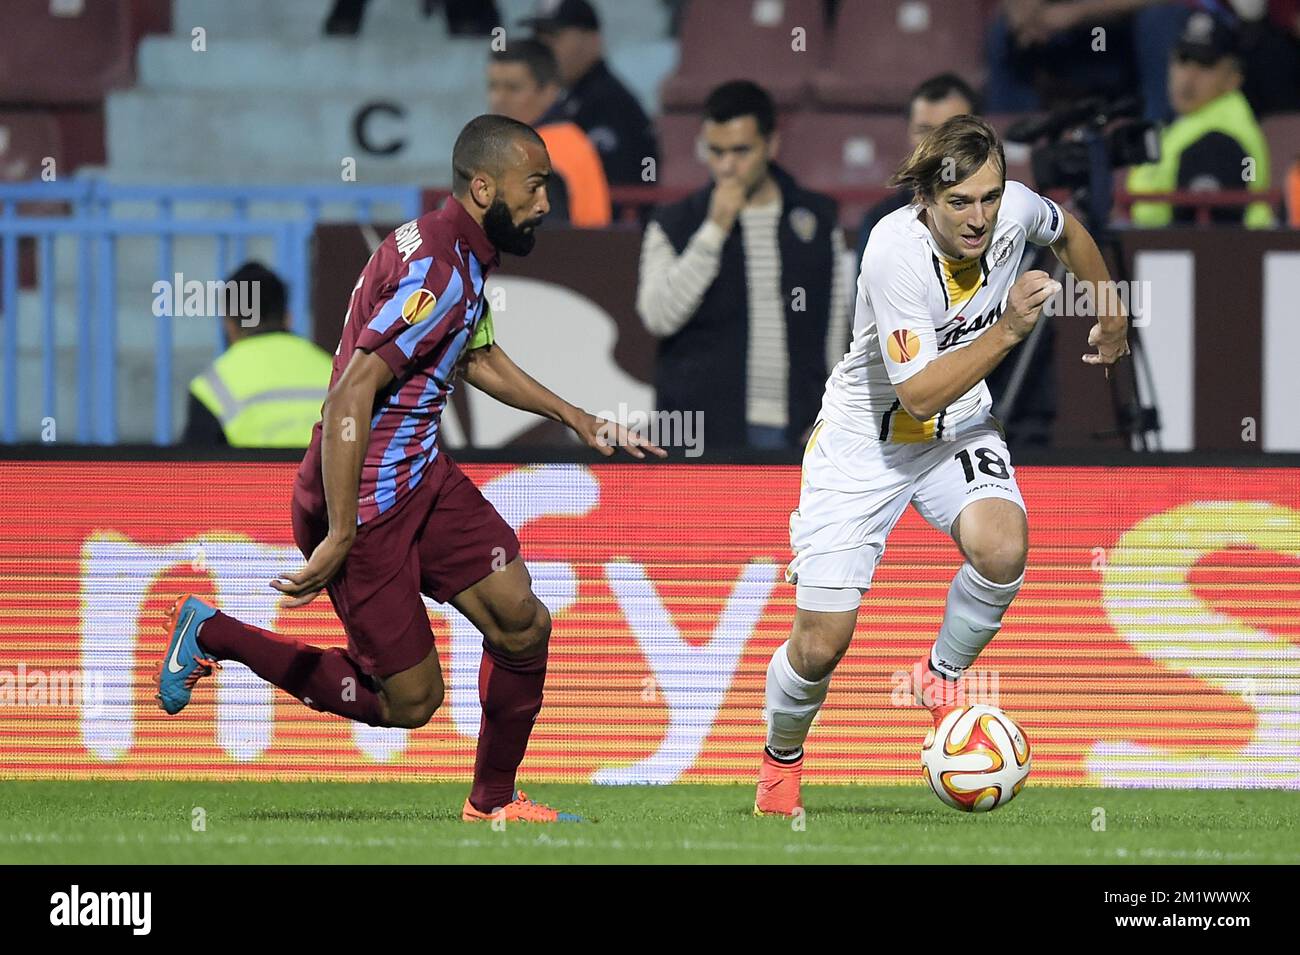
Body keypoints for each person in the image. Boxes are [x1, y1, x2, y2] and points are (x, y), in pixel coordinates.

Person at [156, 115, 664, 823]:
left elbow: (476, 354)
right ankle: (212, 631)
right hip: (363, 500)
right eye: (537, 185)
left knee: (522, 620)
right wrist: (339, 531)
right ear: (485, 186)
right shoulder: (441, 270)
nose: (547, 202)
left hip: (417, 474)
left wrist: (576, 417)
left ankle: (492, 801)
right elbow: (352, 390)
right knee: (410, 701)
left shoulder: (450, 244)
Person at [754, 116, 1129, 816]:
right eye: (961, 202)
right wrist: (1011, 329)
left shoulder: (1014, 209)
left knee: (1003, 544)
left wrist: (1109, 311)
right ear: (925, 198)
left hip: (954, 430)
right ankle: (780, 761)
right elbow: (918, 390)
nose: (981, 216)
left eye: (990, 197)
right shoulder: (892, 252)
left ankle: (940, 676)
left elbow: (1070, 229)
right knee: (820, 643)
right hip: (866, 442)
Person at [637, 80, 850, 450]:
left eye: (741, 151)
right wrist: (713, 230)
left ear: (772, 144)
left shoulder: (815, 219)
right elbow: (658, 315)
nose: (726, 166)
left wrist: (831, 415)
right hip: (701, 429)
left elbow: (831, 327)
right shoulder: (675, 223)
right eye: (715, 151)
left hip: (796, 427)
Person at [1127, 9, 1275, 226]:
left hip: (1226, 257)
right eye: (1183, 59)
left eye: (1205, 65)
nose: (1188, 78)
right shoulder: (1184, 123)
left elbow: (1204, 241)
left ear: (1233, 78)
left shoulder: (1220, 139)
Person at [182, 263, 334, 448]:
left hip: (255, 477)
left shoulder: (211, 387)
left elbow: (197, 469)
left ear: (229, 324)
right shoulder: (334, 371)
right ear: (287, 317)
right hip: (323, 476)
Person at [523, 0, 661, 186]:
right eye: (539, 39)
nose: (544, 50)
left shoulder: (609, 101)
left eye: (554, 37)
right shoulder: (570, 97)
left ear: (592, 39)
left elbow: (618, 188)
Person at [855, 73, 981, 278]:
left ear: (979, 133)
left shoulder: (1011, 214)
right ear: (908, 133)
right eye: (924, 131)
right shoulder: (881, 220)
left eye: (950, 130)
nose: (936, 143)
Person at [488, 39, 612, 227]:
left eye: (513, 88)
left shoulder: (545, 151)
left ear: (549, 92)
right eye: (493, 86)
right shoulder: (567, 137)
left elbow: (545, 242)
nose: (499, 99)